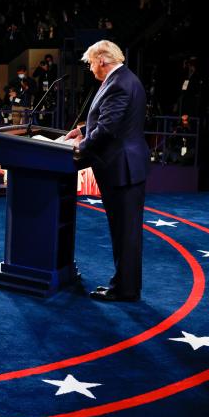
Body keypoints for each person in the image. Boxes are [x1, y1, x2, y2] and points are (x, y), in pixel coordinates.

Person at [64, 39, 148, 302]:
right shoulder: (123, 79)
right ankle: (124, 285)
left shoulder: (119, 83)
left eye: (90, 63)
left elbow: (108, 129)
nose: (90, 68)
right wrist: (83, 131)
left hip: (122, 168)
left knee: (125, 233)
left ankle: (125, 289)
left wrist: (79, 149)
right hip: (123, 166)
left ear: (102, 59)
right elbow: (110, 122)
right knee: (124, 232)